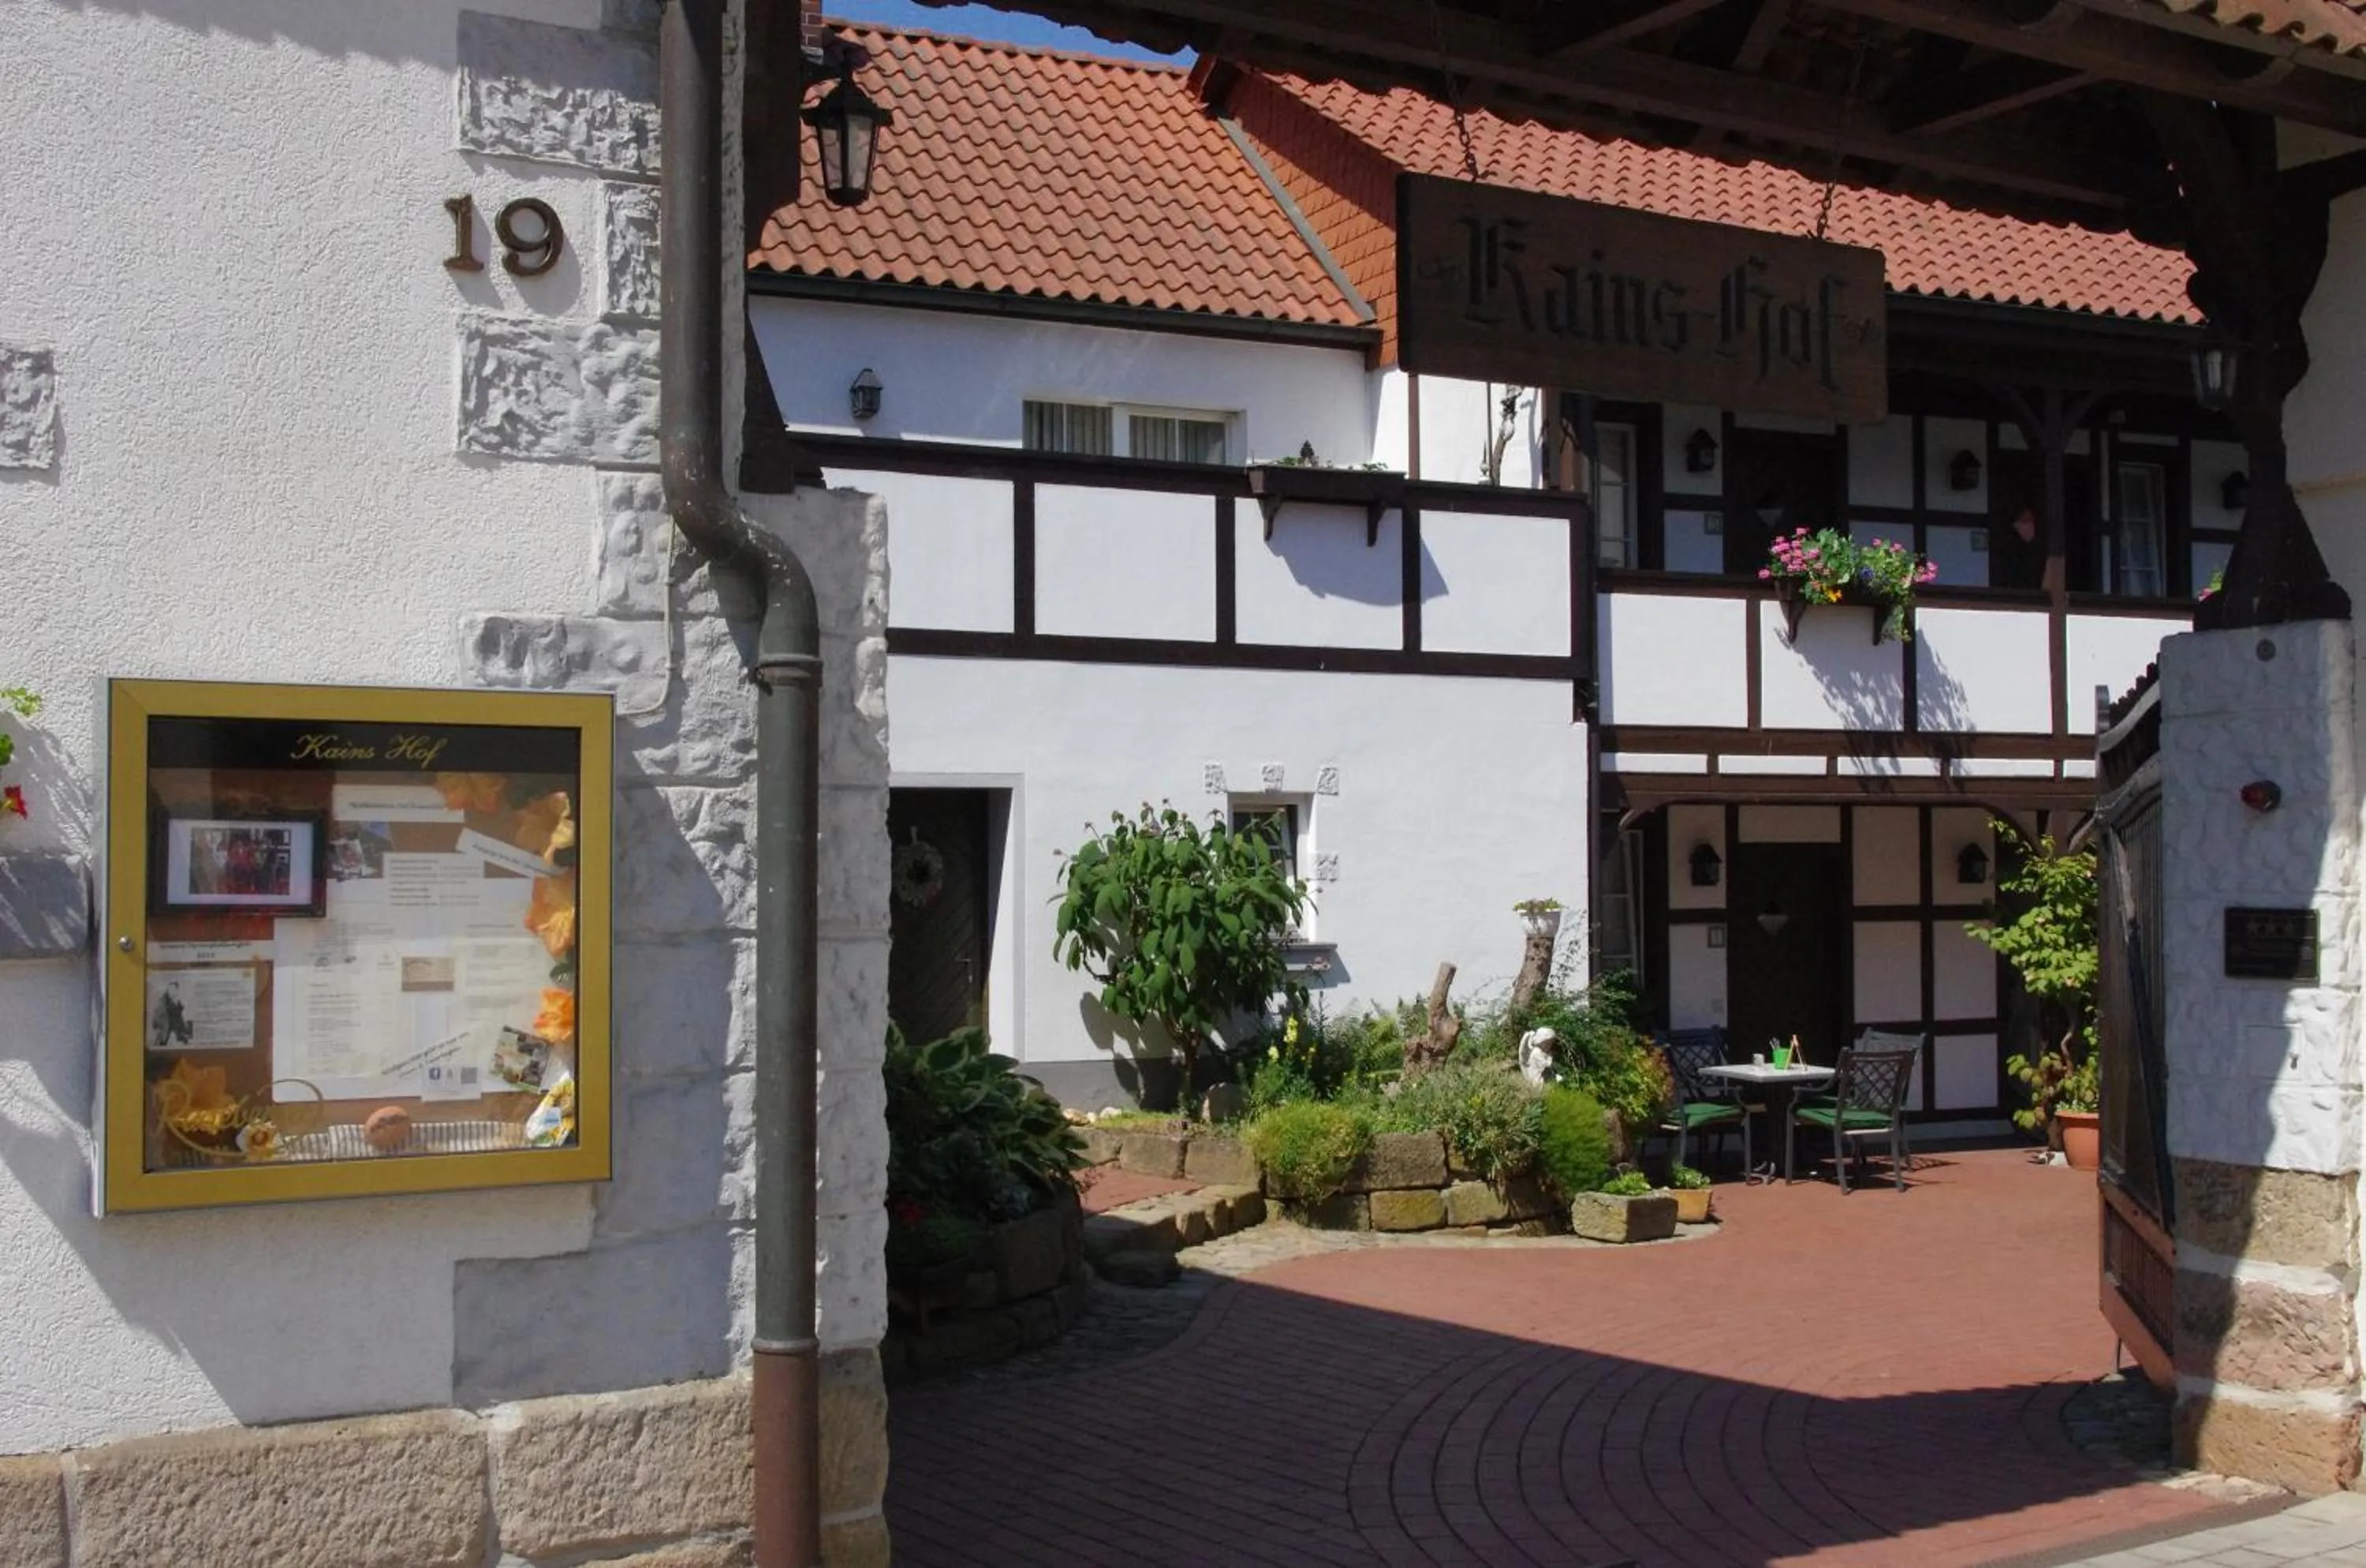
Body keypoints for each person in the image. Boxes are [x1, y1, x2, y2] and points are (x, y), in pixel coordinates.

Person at [1991, 497, 2047, 590]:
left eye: (2030, 521)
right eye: (2024, 521)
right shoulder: (2007, 551)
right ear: (2015, 524)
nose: (2028, 526)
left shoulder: (2041, 550)